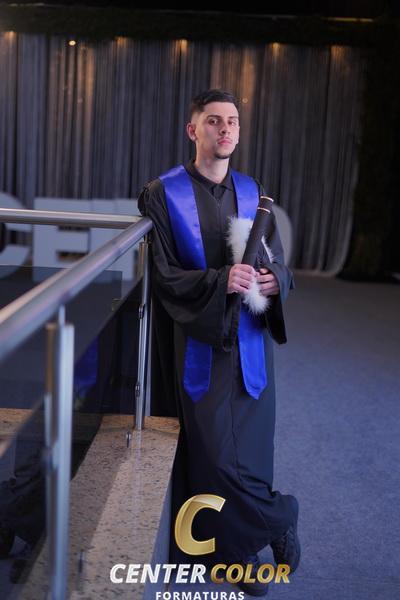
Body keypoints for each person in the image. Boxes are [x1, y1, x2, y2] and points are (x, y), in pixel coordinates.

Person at [138, 89, 300, 596]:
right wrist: (218, 281)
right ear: (194, 130)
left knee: (251, 451)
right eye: (213, 121)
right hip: (200, 339)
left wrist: (274, 280)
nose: (225, 129)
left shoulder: (254, 192)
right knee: (212, 453)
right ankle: (278, 518)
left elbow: (277, 261)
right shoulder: (161, 194)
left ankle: (236, 553)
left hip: (250, 343)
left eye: (232, 121)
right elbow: (163, 274)